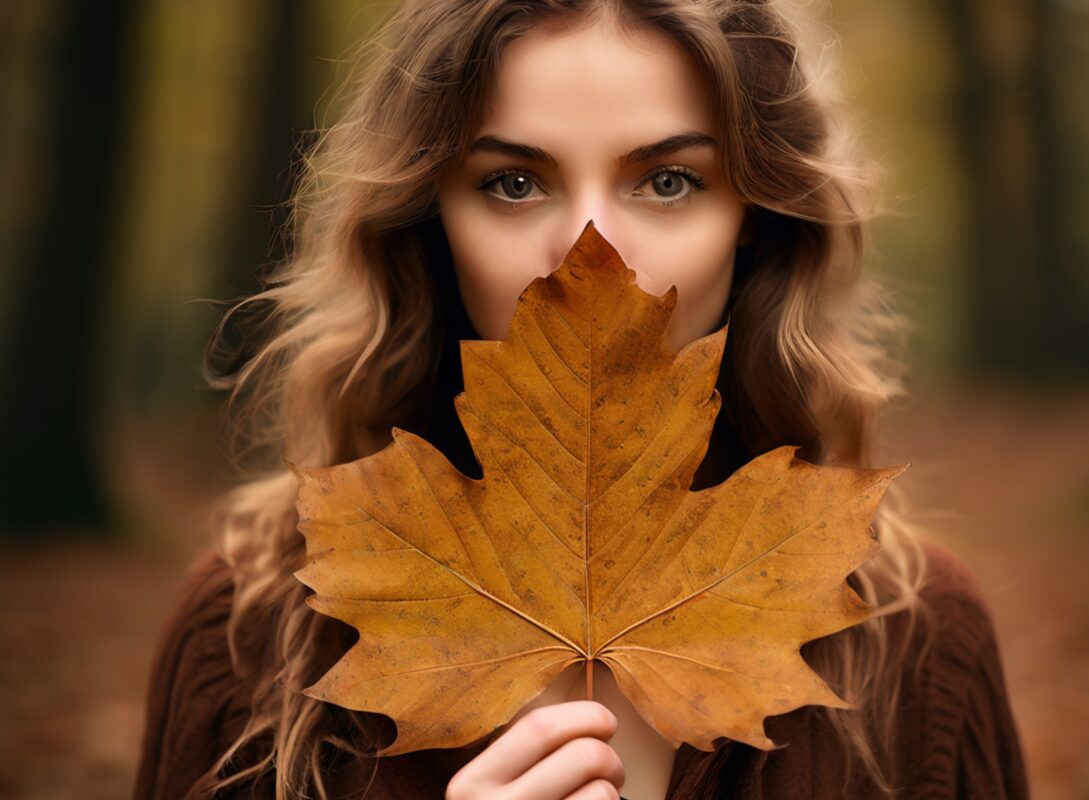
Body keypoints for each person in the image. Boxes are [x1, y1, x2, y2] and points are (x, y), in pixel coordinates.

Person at [132, 1, 1030, 798]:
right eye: (513, 183)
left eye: (668, 181)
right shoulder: (244, 641)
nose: (587, 253)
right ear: (427, 215)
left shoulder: (917, 646)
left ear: (755, 217)